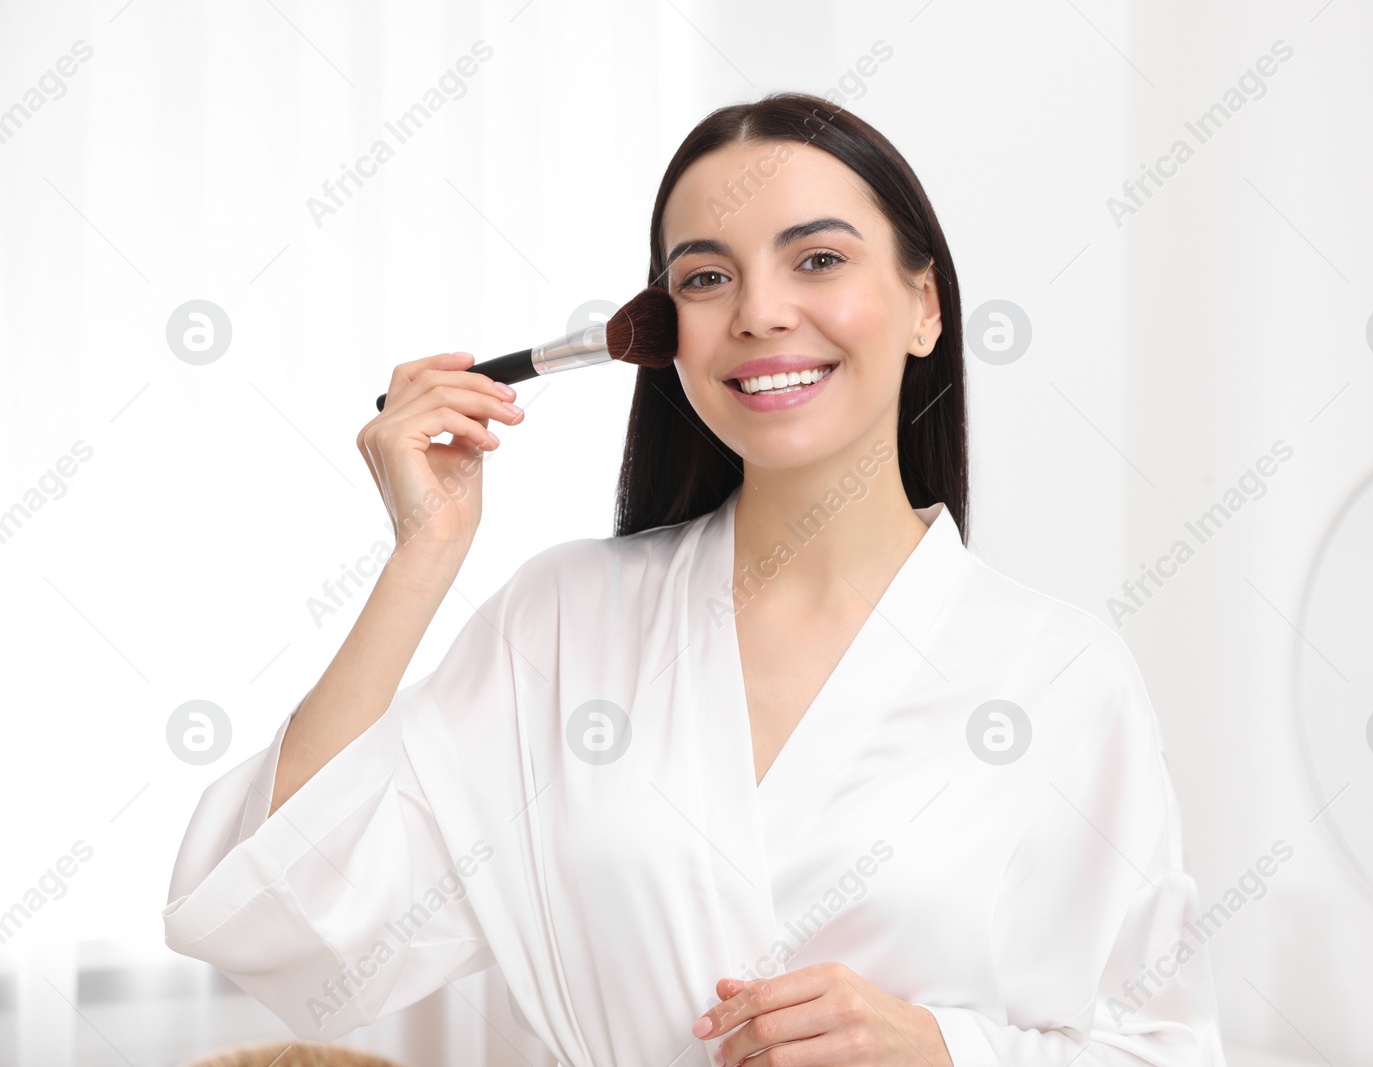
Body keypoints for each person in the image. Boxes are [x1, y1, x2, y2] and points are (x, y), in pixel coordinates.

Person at [165, 91, 1226, 1067]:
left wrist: (944, 1047)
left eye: (816, 260)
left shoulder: (1059, 672)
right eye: (707, 277)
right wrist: (422, 555)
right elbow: (273, 913)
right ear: (666, 336)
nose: (760, 312)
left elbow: (1167, 1048)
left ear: (925, 306)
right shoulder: (565, 623)